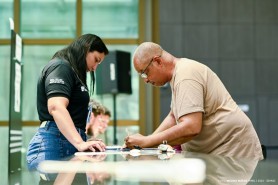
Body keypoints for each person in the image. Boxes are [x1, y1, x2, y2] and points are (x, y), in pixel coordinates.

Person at [124, 42, 264, 160]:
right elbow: (174, 116)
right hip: (221, 150)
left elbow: (191, 127)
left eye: (145, 72)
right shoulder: (178, 74)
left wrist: (147, 142)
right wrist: (145, 142)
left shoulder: (186, 76)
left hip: (233, 148)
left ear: (158, 61)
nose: (146, 80)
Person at [26, 34, 109, 170]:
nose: (95, 68)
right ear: (86, 48)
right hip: (51, 146)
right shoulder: (61, 67)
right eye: (96, 60)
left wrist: (83, 141)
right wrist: (80, 143)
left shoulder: (73, 72)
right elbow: (56, 107)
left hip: (64, 144)